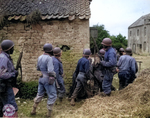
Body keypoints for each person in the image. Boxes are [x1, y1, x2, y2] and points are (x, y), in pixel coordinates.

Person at [31, 43, 57, 117]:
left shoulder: (40, 57)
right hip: (48, 78)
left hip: (41, 77)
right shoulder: (49, 58)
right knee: (52, 95)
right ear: (50, 51)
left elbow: (38, 68)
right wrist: (54, 76)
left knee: (39, 94)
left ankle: (34, 109)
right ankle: (49, 113)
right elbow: (50, 70)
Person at [0, 39, 18, 117]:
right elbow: (2, 74)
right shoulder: (3, 58)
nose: (13, 49)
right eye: (12, 48)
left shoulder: (4, 56)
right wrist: (13, 74)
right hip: (5, 86)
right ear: (8, 49)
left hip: (6, 85)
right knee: (11, 107)